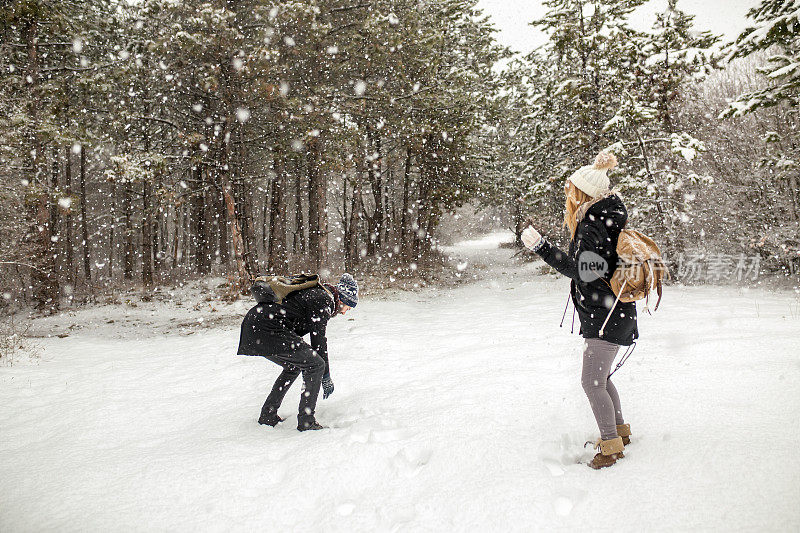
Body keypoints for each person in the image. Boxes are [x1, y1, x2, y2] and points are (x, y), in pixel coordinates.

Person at [521, 151, 636, 469]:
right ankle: (620, 432)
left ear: (583, 193)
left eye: (572, 190)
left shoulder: (592, 225)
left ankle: (611, 447)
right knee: (602, 377)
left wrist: (542, 247)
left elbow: (583, 270)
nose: (568, 195)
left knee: (592, 381)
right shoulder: (608, 218)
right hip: (618, 310)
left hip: (605, 315)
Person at [237, 273, 359, 431]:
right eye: (347, 307)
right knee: (316, 365)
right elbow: (319, 342)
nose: (343, 312)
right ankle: (306, 421)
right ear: (341, 299)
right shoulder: (324, 300)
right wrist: (326, 376)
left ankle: (268, 414)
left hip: (255, 325)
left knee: (294, 366)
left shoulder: (318, 294)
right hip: (268, 328)